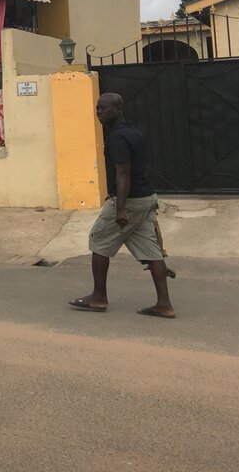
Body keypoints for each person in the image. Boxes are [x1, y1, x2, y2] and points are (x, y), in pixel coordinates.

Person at [69, 93, 175, 318]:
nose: (99, 112)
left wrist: (120, 208)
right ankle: (164, 305)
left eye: (104, 108)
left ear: (118, 109)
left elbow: (123, 173)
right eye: (97, 108)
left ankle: (98, 297)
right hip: (146, 197)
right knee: (152, 250)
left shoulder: (117, 138)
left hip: (130, 200)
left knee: (98, 240)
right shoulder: (133, 131)